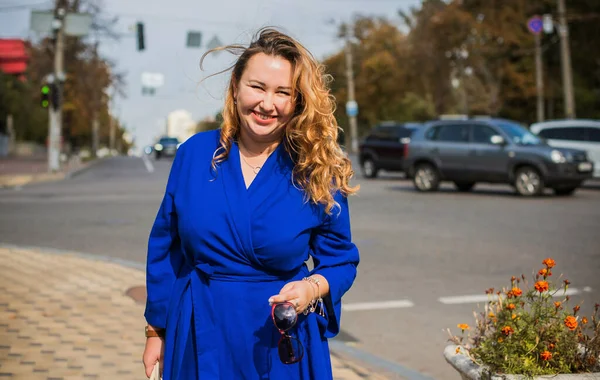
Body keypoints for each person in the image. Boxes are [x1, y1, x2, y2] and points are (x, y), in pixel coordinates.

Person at [142, 27, 360, 379]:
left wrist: (310, 288)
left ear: (298, 100)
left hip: (278, 338)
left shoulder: (317, 167)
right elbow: (167, 250)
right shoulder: (194, 155)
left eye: (282, 93)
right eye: (257, 87)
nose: (267, 104)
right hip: (200, 331)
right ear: (235, 88)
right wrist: (156, 331)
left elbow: (341, 261)